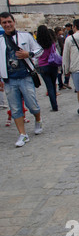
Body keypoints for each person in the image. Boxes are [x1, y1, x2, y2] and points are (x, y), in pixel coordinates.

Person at [0, 12, 44, 147]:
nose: (7, 25)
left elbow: (39, 50)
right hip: (9, 80)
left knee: (33, 105)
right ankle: (23, 135)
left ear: (14, 22)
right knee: (15, 108)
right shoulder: (0, 41)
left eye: (9, 21)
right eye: (4, 23)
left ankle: (38, 118)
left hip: (25, 76)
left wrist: (28, 54)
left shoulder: (26, 36)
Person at [36, 25, 59, 112]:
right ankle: (55, 104)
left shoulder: (37, 43)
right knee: (53, 85)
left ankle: (53, 105)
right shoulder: (52, 42)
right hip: (52, 64)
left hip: (42, 65)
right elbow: (54, 52)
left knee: (49, 86)